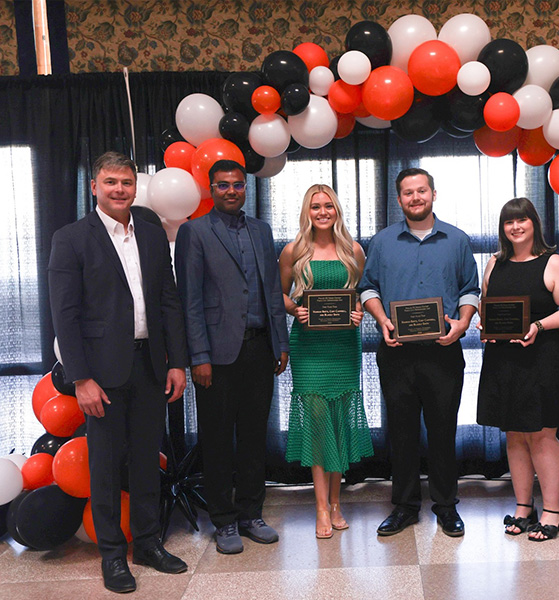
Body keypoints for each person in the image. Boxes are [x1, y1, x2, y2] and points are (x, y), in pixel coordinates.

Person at [48, 151, 189, 593]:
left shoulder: (149, 234)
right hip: (101, 375)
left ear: (134, 186)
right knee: (105, 467)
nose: (119, 190)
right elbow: (64, 315)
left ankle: (147, 543)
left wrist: (177, 361)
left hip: (151, 365)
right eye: (110, 182)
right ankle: (113, 555)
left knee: (148, 461)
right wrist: (80, 378)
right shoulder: (71, 238)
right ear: (94, 187)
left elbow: (168, 300)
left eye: (126, 182)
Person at [174, 160, 289, 555]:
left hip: (260, 349)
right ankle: (223, 521)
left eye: (237, 185)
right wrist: (198, 356)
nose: (230, 191)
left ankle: (251, 514)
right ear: (211, 188)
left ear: (245, 188)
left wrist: (281, 343)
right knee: (219, 438)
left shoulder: (261, 230)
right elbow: (189, 300)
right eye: (222, 185)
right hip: (216, 357)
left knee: (255, 437)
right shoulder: (194, 232)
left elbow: (273, 291)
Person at [359, 167, 480, 538]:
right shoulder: (381, 242)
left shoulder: (456, 240)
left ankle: (446, 507)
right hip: (396, 352)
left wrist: (461, 324)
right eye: (408, 193)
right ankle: (405, 506)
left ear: (433, 194)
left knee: (443, 431)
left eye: (421, 191)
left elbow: (470, 290)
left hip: (443, 351)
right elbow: (368, 289)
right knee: (402, 432)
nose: (415, 198)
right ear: (399, 200)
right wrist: (381, 320)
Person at [476, 197, 559, 541]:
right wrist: (485, 326)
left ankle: (553, 511)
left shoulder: (552, 262)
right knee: (514, 435)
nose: (515, 227)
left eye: (522, 220)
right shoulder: (495, 262)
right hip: (503, 360)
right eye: (509, 222)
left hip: (543, 359)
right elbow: (486, 305)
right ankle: (524, 507)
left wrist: (538, 325)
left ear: (534, 224)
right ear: (502, 229)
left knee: (542, 436)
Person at [279, 184, 373, 539]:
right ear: (307, 211)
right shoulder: (294, 251)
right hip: (310, 349)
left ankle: (337, 503)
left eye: (328, 206)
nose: (322, 212)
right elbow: (279, 295)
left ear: (337, 210)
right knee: (319, 426)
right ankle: (320, 506)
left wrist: (360, 311)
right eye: (316, 206)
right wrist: (297, 309)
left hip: (343, 347)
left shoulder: (353, 250)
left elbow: (362, 294)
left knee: (340, 424)